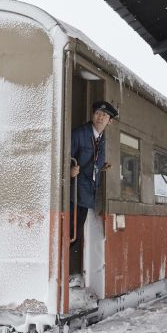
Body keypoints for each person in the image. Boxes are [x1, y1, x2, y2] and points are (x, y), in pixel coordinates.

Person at [69, 101, 117, 259]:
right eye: (97, 113)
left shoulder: (101, 138)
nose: (100, 117)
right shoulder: (79, 134)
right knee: (70, 235)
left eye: (104, 115)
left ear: (110, 121)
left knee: (75, 236)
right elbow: (63, 156)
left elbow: (91, 159)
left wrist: (100, 167)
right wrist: (69, 170)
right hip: (72, 194)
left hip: (87, 194)